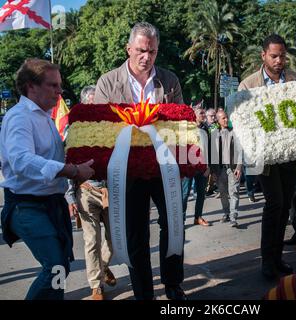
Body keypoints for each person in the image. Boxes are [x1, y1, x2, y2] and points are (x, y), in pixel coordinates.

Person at [94, 22, 186, 300]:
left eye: (153, 52)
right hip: (127, 171)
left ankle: (172, 283)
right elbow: (100, 128)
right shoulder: (108, 82)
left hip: (164, 167)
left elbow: (181, 123)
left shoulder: (169, 81)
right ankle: (144, 293)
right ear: (128, 48)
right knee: (136, 235)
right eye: (141, 51)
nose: (147, 57)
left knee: (174, 225)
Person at [0, 58, 95, 300]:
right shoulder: (20, 117)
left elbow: (51, 159)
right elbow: (21, 160)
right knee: (55, 265)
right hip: (27, 205)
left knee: (59, 266)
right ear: (31, 86)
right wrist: (73, 170)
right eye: (53, 85)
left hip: (49, 203)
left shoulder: (44, 116)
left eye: (59, 85)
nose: (60, 91)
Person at [238, 34, 296, 279]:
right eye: (274, 56)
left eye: (282, 56)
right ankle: (266, 261)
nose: (279, 60)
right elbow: (241, 122)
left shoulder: (295, 80)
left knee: (285, 204)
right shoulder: (247, 85)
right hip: (262, 155)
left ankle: (277, 258)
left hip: (290, 152)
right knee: (274, 203)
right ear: (263, 55)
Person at [65, 85, 116, 300]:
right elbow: (67, 162)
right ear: (85, 103)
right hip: (86, 191)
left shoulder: (112, 126)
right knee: (91, 240)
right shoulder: (74, 130)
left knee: (115, 239)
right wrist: (69, 196)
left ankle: (102, 267)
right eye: (94, 101)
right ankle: (96, 286)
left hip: (110, 191)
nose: (98, 105)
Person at [210, 110, 242, 228]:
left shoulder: (234, 133)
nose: (226, 119)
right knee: (223, 193)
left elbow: (240, 151)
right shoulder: (214, 135)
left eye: (226, 117)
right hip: (220, 170)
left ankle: (233, 217)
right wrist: (212, 172)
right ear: (218, 121)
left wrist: (239, 166)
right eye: (223, 118)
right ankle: (226, 213)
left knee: (234, 192)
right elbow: (212, 155)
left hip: (232, 168)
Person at [181, 107, 211, 226]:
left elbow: (208, 150)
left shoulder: (205, 131)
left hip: (202, 168)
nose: (204, 115)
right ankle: (181, 220)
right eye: (201, 113)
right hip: (189, 168)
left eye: (204, 113)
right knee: (184, 194)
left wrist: (208, 167)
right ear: (194, 115)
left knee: (201, 194)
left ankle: (198, 217)